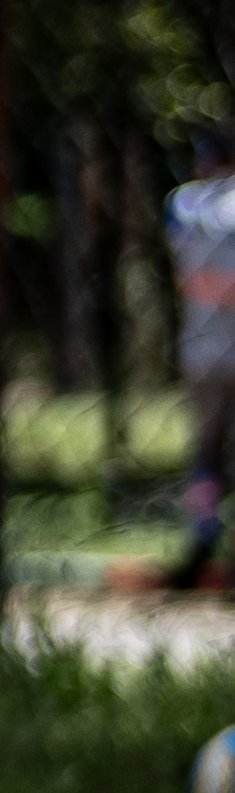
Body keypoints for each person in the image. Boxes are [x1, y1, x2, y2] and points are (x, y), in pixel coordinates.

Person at [167, 124, 234, 592]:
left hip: (201, 348)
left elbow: (182, 269)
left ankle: (204, 532)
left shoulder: (184, 205)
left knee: (206, 452)